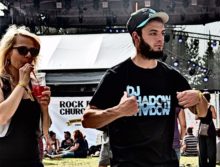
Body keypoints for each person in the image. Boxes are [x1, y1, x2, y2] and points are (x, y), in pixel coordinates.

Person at [82, 7, 208, 167]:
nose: (160, 39)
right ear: (136, 36)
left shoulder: (171, 76)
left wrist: (198, 96)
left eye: (162, 33)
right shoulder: (116, 76)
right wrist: (119, 111)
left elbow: (202, 112)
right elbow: (87, 120)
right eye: (153, 33)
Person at [0, 25, 51, 167]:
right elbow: (2, 117)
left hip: (33, 161)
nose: (29, 55)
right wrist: (21, 84)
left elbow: (44, 129)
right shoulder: (2, 82)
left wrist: (45, 108)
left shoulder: (33, 84)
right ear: (8, 52)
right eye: (22, 50)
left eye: (34, 51)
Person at [197, 92, 217, 167]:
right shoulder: (211, 107)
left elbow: (196, 117)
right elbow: (215, 117)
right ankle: (211, 165)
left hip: (201, 128)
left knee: (202, 148)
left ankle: (203, 165)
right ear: (209, 98)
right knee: (211, 148)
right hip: (210, 128)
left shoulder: (199, 106)